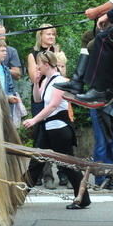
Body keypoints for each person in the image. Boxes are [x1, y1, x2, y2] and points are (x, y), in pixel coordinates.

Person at [22, 51, 90, 209]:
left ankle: (83, 198)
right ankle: (18, 196)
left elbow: (52, 105)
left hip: (59, 129)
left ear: (46, 64)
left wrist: (34, 120)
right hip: (48, 129)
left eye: (39, 64)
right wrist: (37, 83)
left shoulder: (59, 81)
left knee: (68, 165)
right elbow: (38, 99)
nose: (37, 67)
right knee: (36, 163)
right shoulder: (47, 80)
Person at [0, 40, 24, 125]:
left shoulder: (6, 69)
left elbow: (10, 87)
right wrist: (7, 97)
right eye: (2, 51)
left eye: (6, 51)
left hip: (6, 107)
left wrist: (12, 96)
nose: (5, 53)